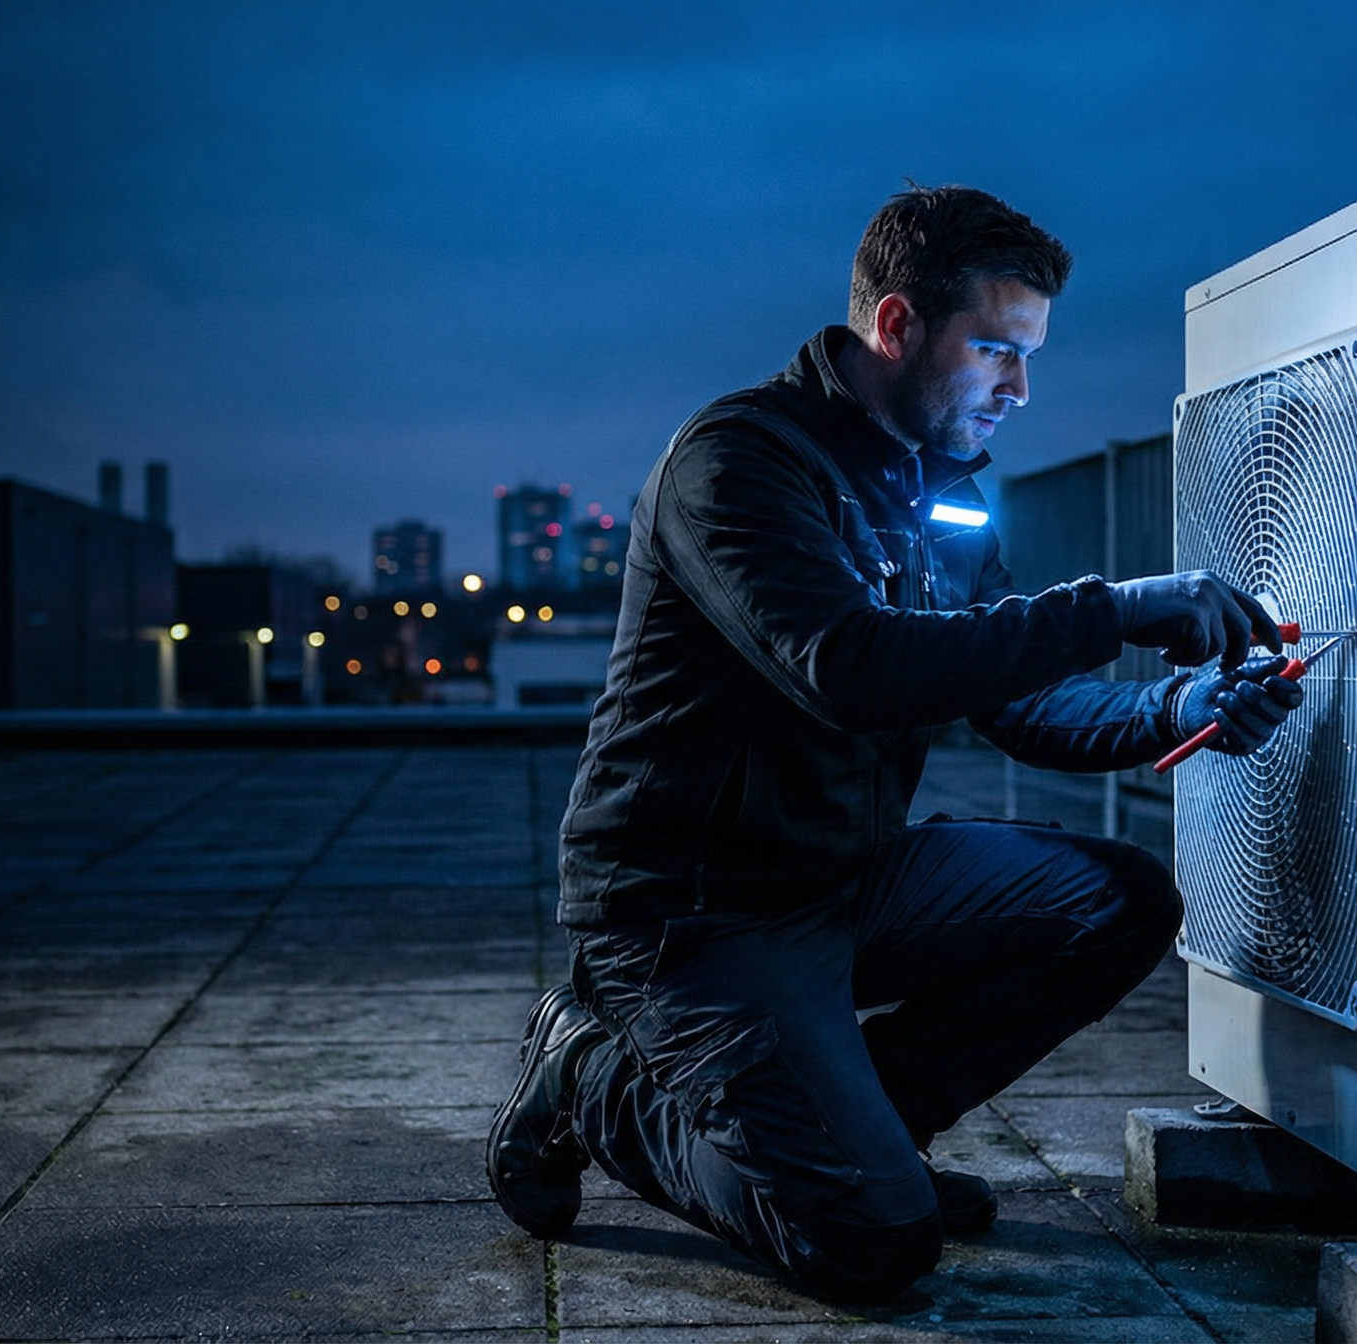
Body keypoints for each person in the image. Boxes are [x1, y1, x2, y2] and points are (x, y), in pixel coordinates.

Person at [485, 185, 1304, 1302]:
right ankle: (588, 1072)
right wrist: (1113, 606)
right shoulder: (737, 466)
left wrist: (1180, 710)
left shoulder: (938, 499)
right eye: (996, 349)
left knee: (1121, 902)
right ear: (898, 327)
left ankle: (857, 1134)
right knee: (870, 1246)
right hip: (689, 914)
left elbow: (1026, 704)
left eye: (1030, 356)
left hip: (846, 880)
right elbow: (852, 670)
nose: (1020, 388)